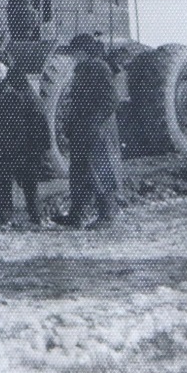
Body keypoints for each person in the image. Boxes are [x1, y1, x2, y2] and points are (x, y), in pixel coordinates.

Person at [0, 49, 51, 225]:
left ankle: (35, 217)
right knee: (1, 183)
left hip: (23, 146)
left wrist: (42, 147)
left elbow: (39, 116)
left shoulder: (22, 88)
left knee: (29, 184)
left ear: (7, 67)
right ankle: (5, 217)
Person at [54, 34, 123, 229]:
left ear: (84, 51)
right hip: (81, 130)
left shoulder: (99, 68)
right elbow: (76, 102)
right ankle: (76, 216)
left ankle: (107, 215)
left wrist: (94, 122)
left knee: (100, 171)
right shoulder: (82, 68)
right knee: (78, 173)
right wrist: (70, 125)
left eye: (75, 52)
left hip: (96, 132)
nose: (73, 56)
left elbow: (111, 100)